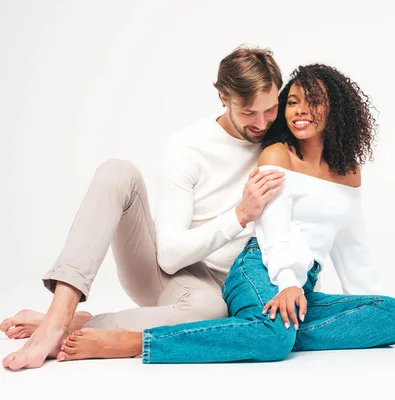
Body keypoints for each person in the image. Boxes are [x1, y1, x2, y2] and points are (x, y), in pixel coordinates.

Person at [50, 63, 395, 363]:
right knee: (273, 341)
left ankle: (249, 328)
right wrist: (287, 281)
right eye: (293, 102)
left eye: (313, 102)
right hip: (262, 266)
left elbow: (353, 243)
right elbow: (273, 228)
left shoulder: (349, 170)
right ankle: (138, 342)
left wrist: (366, 300)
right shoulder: (277, 155)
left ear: (337, 108)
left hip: (301, 282)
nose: (299, 110)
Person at [1, 45, 286, 370]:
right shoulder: (188, 147)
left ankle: (80, 325)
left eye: (270, 110)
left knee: (211, 309)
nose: (261, 123)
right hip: (169, 273)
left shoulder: (283, 139)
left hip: (223, 293)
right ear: (223, 96)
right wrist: (239, 216)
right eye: (249, 112)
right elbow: (169, 255)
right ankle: (57, 317)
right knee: (117, 172)